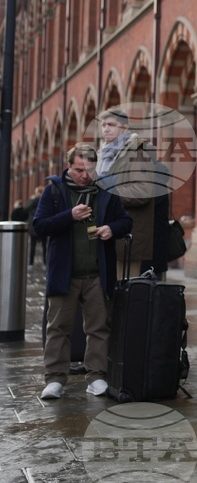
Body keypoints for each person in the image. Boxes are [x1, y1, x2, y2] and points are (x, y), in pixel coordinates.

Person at [32, 143, 132, 399]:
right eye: (79, 169)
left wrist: (112, 229)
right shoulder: (54, 191)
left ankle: (96, 376)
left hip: (98, 273)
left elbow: (125, 221)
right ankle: (55, 379)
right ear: (69, 166)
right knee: (58, 327)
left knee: (99, 327)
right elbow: (39, 226)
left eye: (89, 169)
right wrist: (70, 215)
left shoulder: (106, 190)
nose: (85, 175)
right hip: (64, 273)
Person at [95, 108, 157, 279]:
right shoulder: (103, 154)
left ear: (125, 128)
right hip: (103, 231)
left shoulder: (139, 152)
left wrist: (107, 194)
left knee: (123, 294)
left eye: (111, 125)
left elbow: (143, 191)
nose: (105, 128)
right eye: (103, 124)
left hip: (127, 234)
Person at [26, 185, 47, 265]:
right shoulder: (35, 201)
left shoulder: (40, 200)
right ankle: (34, 262)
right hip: (36, 226)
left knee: (39, 246)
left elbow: (26, 208)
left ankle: (33, 262)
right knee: (36, 245)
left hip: (39, 225)